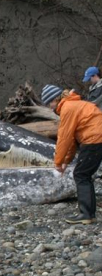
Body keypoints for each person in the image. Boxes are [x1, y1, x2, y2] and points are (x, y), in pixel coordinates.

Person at [41, 84, 102, 224]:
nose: (50, 107)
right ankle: (89, 213)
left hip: (94, 139)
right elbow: (73, 140)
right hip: (97, 137)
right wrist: (66, 162)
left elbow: (64, 138)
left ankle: (87, 214)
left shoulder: (67, 109)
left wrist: (57, 162)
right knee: (84, 173)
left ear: (55, 100)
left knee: (81, 174)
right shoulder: (76, 104)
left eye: (49, 103)